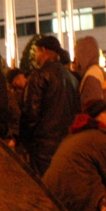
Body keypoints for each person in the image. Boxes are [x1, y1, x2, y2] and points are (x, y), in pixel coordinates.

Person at [20, 36, 81, 175]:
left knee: (45, 187)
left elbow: (31, 113)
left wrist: (25, 143)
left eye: (35, 52)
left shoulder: (39, 76)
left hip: (43, 147)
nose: (35, 56)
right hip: (67, 143)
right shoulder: (72, 78)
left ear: (44, 50)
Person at [73, 36, 106, 110]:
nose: (75, 60)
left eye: (77, 55)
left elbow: (92, 107)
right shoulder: (102, 72)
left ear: (83, 55)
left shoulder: (92, 75)